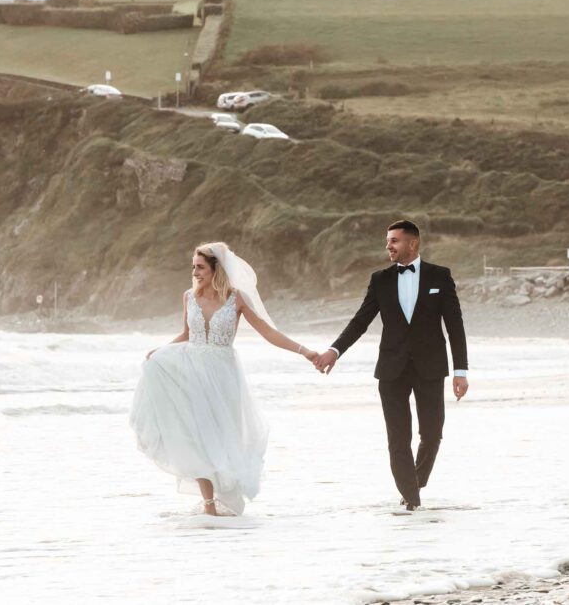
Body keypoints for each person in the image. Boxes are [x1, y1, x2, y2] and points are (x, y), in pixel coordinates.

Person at [130, 242, 319, 516]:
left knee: (219, 437)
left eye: (200, 267)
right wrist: (160, 351)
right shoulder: (188, 297)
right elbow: (186, 334)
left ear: (216, 269)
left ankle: (223, 497)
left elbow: (268, 332)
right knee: (196, 435)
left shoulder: (236, 298)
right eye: (193, 266)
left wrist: (305, 351)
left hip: (223, 376)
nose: (195, 272)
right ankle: (208, 504)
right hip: (191, 370)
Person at [313, 220, 469, 510]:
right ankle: (413, 503)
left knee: (433, 434)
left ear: (413, 243)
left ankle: (414, 485)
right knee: (398, 439)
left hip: (431, 367)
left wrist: (461, 371)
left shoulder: (440, 276)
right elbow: (361, 321)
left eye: (394, 241)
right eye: (387, 241)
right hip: (391, 369)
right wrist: (335, 350)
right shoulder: (380, 279)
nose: (388, 246)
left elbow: (455, 326)